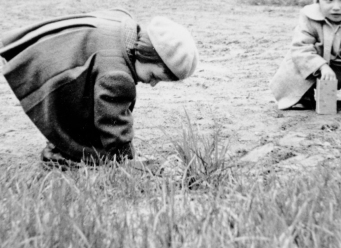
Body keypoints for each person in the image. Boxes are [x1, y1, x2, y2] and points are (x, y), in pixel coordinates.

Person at [0, 9, 199, 167]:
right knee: (92, 152)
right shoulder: (117, 76)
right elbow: (113, 122)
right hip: (53, 71)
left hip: (53, 53)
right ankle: (59, 154)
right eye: (155, 76)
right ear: (147, 53)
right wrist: (125, 159)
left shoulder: (125, 24)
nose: (153, 84)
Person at [270, 0, 341, 110]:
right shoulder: (310, 18)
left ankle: (328, 99)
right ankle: (304, 96)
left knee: (329, 96)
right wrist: (322, 66)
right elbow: (300, 48)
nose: (336, 7)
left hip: (338, 68)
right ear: (318, 0)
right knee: (297, 67)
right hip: (314, 67)